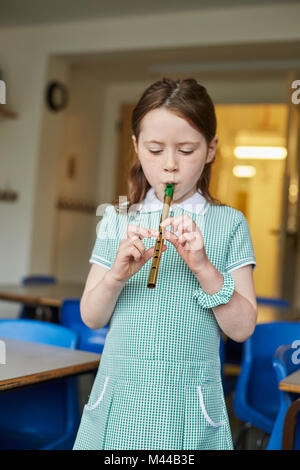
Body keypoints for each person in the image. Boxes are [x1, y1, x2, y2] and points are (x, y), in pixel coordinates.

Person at [73, 78, 257, 450]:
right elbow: (91, 317)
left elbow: (242, 329)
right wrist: (116, 277)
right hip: (119, 401)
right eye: (155, 150)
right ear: (137, 147)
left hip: (188, 409)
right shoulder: (117, 218)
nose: (169, 166)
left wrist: (203, 266)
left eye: (186, 150)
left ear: (210, 150)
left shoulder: (230, 223)